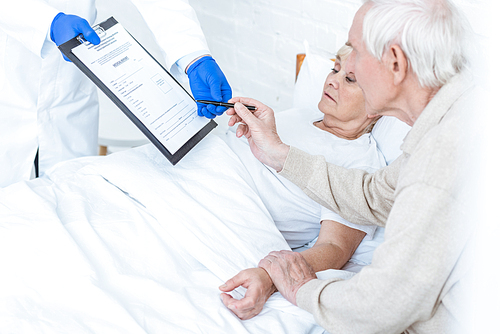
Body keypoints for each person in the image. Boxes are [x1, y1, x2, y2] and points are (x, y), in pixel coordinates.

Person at [225, 0, 475, 333]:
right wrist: (280, 155)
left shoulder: (441, 159)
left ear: (396, 64)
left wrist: (302, 287)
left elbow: (381, 306)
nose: (344, 67)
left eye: (355, 52)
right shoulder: (457, 114)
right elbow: (376, 195)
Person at [218, 44, 389, 320]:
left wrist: (270, 274)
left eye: (349, 79)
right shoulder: (301, 115)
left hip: (226, 211)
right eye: (334, 68)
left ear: (377, 104)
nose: (332, 79)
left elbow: (334, 249)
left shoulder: (362, 164)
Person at [0, 0, 231, 188]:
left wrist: (193, 56)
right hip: (10, 87)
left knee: (71, 201)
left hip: (70, 95)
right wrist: (46, 22)